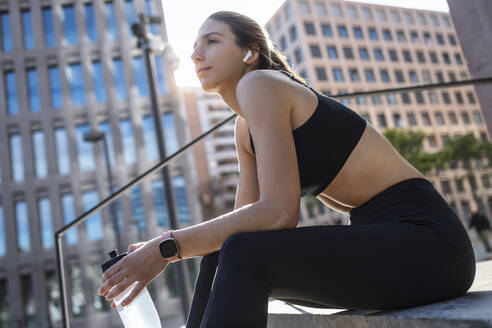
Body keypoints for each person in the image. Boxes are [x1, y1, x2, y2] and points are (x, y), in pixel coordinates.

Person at [98, 11, 476, 328]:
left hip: (429, 246)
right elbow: (241, 226)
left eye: (211, 41)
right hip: (391, 249)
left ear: (250, 52)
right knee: (228, 250)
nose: (196, 55)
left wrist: (165, 248)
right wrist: (156, 250)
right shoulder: (244, 125)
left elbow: (279, 214)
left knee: (244, 253)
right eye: (195, 46)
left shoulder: (261, 84)